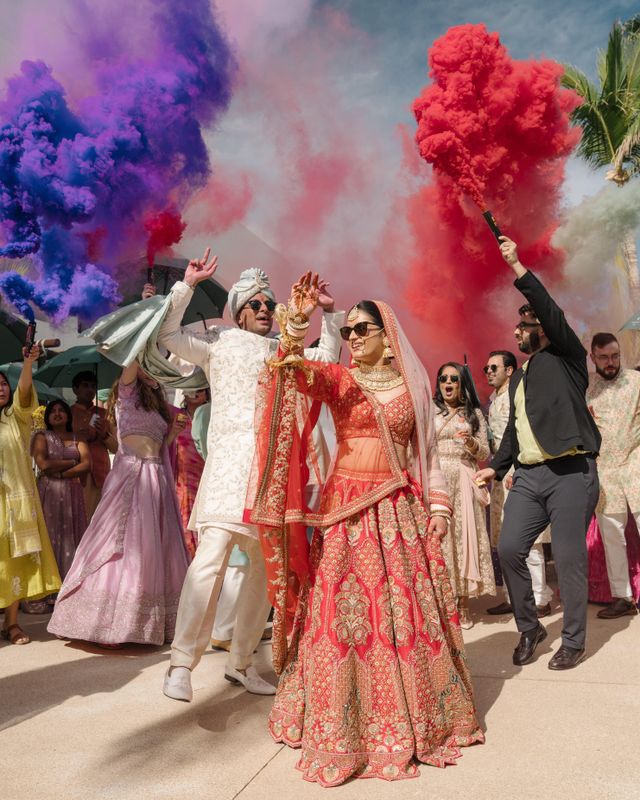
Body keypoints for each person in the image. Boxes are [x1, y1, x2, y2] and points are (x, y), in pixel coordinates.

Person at [248, 279, 483, 786]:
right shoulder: (342, 380)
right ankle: (341, 724)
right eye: (348, 328)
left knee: (402, 616)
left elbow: (427, 460)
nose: (352, 336)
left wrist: (438, 509)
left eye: (361, 328)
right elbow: (290, 374)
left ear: (385, 333)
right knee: (342, 618)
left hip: (398, 511)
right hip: (343, 514)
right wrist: (297, 324)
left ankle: (413, 719)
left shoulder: (412, 386)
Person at [160, 253, 344, 703]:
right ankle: (181, 663)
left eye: (269, 303)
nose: (264, 309)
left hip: (273, 476)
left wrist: (329, 312)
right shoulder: (217, 342)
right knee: (210, 561)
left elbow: (326, 357)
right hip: (227, 472)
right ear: (239, 310)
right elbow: (167, 335)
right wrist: (185, 286)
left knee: (263, 572)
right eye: (255, 303)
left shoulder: (286, 349)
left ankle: (241, 664)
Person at [475, 236, 601, 671]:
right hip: (529, 477)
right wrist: (494, 468)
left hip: (569, 470)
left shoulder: (568, 357)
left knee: (567, 558)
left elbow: (549, 309)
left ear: (543, 328)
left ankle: (573, 640)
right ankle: (529, 627)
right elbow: (514, 432)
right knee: (509, 549)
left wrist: (516, 266)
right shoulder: (519, 378)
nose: (517, 330)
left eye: (525, 323)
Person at [48, 362, 190, 647]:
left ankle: (151, 623)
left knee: (154, 549)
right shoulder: (126, 396)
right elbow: (132, 362)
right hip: (130, 475)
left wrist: (172, 432)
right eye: (149, 366)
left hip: (156, 477)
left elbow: (161, 446)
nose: (153, 371)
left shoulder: (159, 407)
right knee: (117, 545)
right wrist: (143, 346)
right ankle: (106, 621)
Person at [484, 351, 553, 618]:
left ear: (510, 371)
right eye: (486, 368)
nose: (488, 372)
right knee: (505, 537)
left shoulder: (517, 396)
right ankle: (512, 596)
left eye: (494, 367)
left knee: (530, 537)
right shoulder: (493, 400)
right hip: (499, 475)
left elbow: (521, 436)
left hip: (518, 472)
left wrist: (518, 469)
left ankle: (540, 597)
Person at [0, 348, 61, 645]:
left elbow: (24, 391)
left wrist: (27, 362)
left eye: (2, 383)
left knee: (14, 561)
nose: (0, 387)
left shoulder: (16, 418)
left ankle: (11, 624)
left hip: (15, 505)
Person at [434, 362, 495, 628]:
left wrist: (470, 442)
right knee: (439, 541)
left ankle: (463, 605)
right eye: (443, 378)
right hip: (436, 480)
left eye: (454, 379)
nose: (448, 383)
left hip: (463, 478)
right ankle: (441, 604)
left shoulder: (474, 415)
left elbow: (484, 453)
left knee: (464, 539)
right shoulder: (430, 413)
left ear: (461, 385)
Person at [586, 332, 640, 618]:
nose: (611, 362)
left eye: (615, 356)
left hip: (636, 463)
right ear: (592, 356)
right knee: (612, 535)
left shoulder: (636, 381)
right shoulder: (588, 388)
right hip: (605, 470)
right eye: (604, 357)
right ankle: (623, 598)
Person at [32, 400, 90, 584]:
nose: (57, 413)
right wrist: (73, 462)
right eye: (53, 411)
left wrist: (61, 472)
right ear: (48, 417)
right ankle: (50, 584)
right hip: (50, 493)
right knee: (50, 535)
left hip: (73, 493)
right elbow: (43, 464)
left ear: (68, 415)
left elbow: (87, 465)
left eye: (61, 410)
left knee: (72, 534)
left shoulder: (77, 438)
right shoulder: (41, 437)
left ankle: (70, 582)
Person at [70, 371, 117, 518]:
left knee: (101, 523)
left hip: (101, 473)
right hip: (77, 475)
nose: (90, 389)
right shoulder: (67, 413)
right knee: (80, 521)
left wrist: (104, 435)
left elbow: (116, 448)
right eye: (85, 385)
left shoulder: (105, 414)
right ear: (75, 389)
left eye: (93, 386)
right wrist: (80, 437)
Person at [171, 389, 210, 558]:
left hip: (208, 477)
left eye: (200, 388)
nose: (195, 392)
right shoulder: (175, 416)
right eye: (191, 387)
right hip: (182, 479)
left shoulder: (213, 414)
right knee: (184, 520)